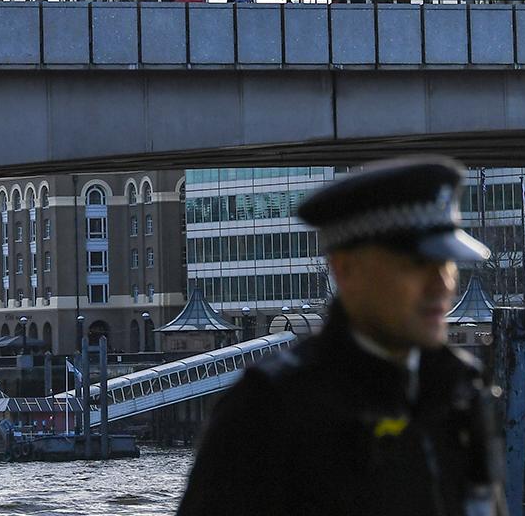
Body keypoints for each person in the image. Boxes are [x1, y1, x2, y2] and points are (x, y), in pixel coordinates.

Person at [177, 156, 506, 516]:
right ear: (346, 269)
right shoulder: (269, 409)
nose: (441, 285)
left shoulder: (461, 390)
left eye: (445, 264)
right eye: (416, 264)